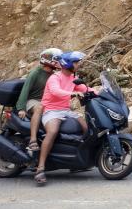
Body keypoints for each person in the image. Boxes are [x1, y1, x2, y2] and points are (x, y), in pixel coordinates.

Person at [34, 51, 95, 186]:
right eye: (76, 63)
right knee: (53, 131)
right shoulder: (55, 78)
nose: (78, 65)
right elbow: (56, 91)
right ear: (68, 64)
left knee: (87, 127)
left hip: (66, 111)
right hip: (51, 111)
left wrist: (100, 91)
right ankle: (41, 168)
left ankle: (77, 161)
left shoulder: (72, 77)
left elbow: (85, 89)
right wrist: (73, 93)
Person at [14, 47, 62, 152]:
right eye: (56, 60)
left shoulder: (53, 75)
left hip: (45, 101)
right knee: (39, 108)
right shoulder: (35, 73)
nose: (58, 62)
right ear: (48, 60)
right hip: (33, 100)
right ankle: (33, 139)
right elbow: (25, 90)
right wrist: (21, 108)